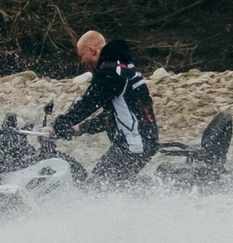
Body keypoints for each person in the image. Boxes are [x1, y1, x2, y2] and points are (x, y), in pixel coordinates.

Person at [51, 26, 158, 178]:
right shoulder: (122, 67)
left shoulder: (110, 72)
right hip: (142, 140)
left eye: (82, 56)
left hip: (134, 144)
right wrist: (79, 129)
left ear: (92, 50)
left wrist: (57, 126)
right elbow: (112, 115)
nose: (82, 62)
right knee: (107, 185)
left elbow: (88, 103)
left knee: (96, 189)